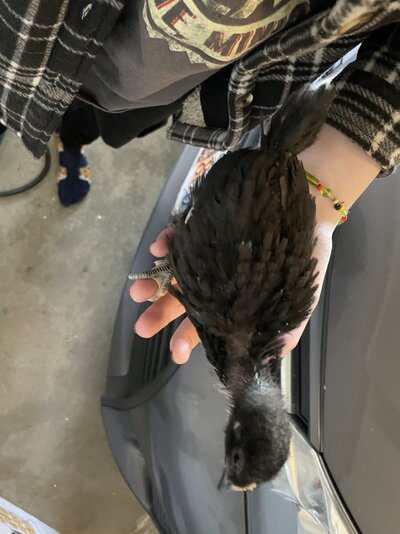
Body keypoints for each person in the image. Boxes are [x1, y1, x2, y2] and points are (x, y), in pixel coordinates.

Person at [0, 1, 399, 359]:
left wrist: (334, 175)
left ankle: (72, 138)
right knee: (21, 100)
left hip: (174, 77)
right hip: (24, 37)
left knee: (114, 118)